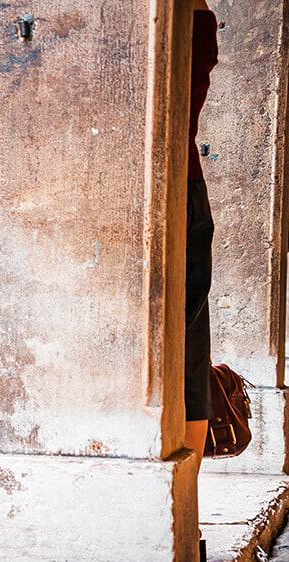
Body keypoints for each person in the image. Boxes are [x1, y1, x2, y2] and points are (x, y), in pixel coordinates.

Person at [185, 0, 219, 472]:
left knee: (190, 352)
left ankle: (182, 506)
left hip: (177, 193)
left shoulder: (187, 26)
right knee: (190, 353)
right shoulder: (198, 24)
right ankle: (183, 507)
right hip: (186, 191)